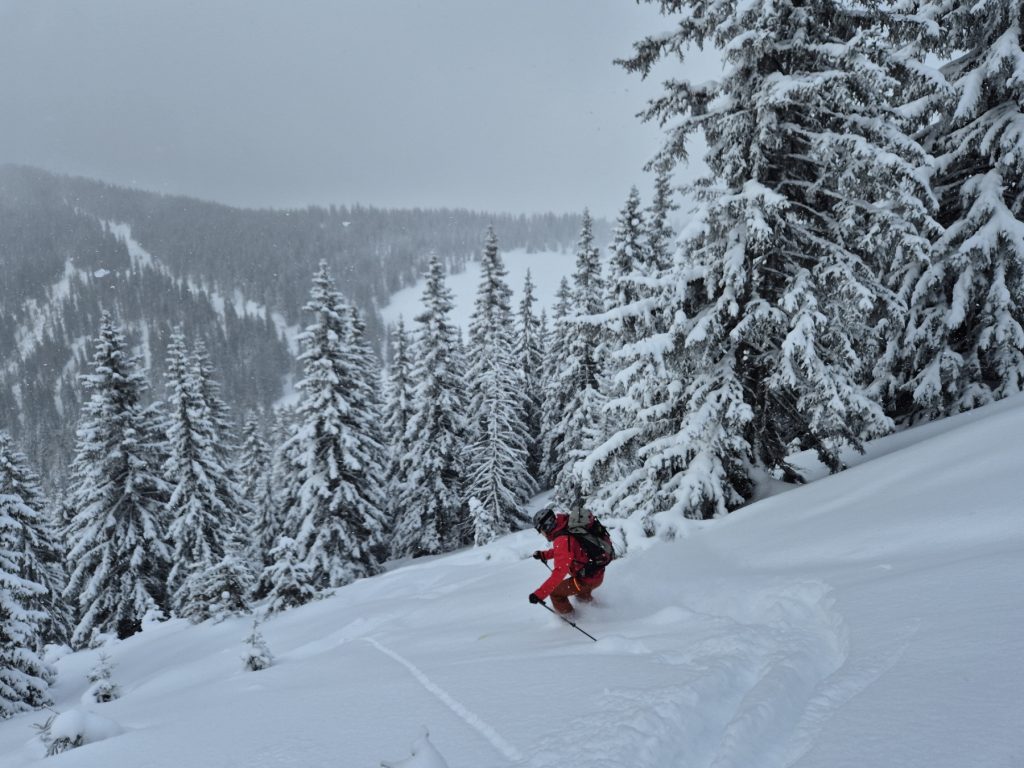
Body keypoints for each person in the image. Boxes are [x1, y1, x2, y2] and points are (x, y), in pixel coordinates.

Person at [528, 505, 605, 615]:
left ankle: (571, 619)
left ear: (547, 526)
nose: (542, 534)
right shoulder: (565, 525)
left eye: (541, 531)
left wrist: (539, 594)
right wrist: (544, 555)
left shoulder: (562, 539)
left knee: (555, 593)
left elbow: (560, 572)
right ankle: (600, 614)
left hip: (586, 579)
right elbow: (567, 551)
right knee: (582, 596)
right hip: (595, 571)